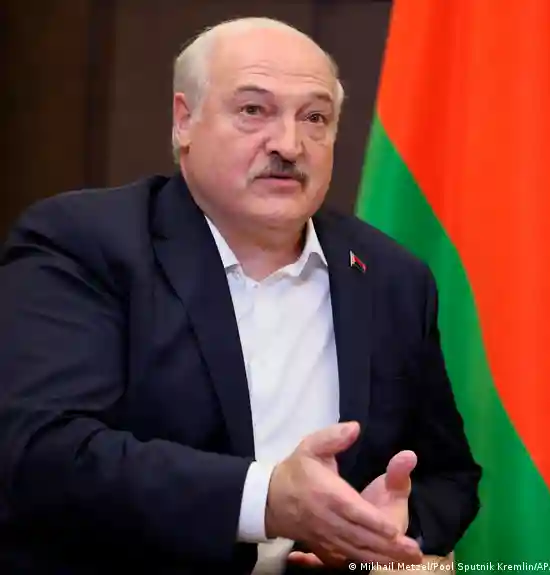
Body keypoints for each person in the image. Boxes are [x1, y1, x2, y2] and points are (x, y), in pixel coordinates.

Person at [0, 17, 481, 575]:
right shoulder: (86, 242)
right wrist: (266, 500)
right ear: (185, 120)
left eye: (315, 117)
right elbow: (43, 452)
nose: (289, 145)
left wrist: (382, 529)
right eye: (254, 110)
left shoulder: (391, 277)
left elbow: (447, 477)